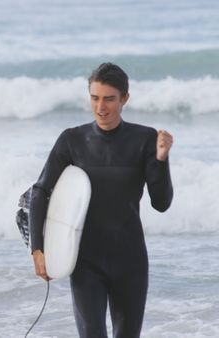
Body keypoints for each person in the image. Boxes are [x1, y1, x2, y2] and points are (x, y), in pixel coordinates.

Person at [29, 63, 173, 337]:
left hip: (130, 260)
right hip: (86, 262)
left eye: (109, 99)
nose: (101, 107)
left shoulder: (144, 139)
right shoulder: (72, 140)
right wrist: (38, 249)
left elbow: (161, 202)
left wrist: (162, 160)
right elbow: (41, 192)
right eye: (95, 98)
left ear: (124, 99)